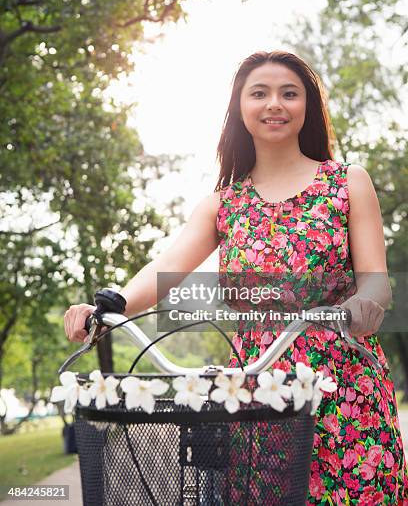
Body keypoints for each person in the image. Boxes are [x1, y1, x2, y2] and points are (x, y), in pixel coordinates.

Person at [64, 50, 408, 504]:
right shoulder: (222, 204)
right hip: (256, 395)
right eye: (259, 93)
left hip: (344, 382)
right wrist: (110, 304)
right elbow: (164, 268)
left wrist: (365, 303)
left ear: (307, 106)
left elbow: (376, 280)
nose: (275, 104)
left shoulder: (347, 182)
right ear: (239, 108)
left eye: (290, 93)